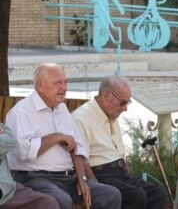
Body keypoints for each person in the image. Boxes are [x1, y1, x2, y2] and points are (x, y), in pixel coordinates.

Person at [6, 63, 122, 209]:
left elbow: (77, 148)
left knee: (110, 195)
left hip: (68, 178)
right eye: (58, 83)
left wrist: (82, 179)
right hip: (35, 178)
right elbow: (23, 152)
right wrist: (56, 137)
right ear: (40, 85)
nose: (64, 88)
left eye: (65, 82)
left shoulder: (62, 109)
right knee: (62, 200)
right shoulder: (22, 112)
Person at [72, 76, 168, 209]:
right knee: (136, 196)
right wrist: (97, 187)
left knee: (158, 193)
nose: (125, 109)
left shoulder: (111, 115)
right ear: (106, 95)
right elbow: (81, 159)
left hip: (121, 174)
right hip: (101, 174)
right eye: (123, 103)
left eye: (128, 103)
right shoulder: (81, 118)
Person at [0, 122, 60, 209]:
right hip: (28, 175)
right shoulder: (21, 111)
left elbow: (10, 140)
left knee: (48, 202)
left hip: (7, 189)